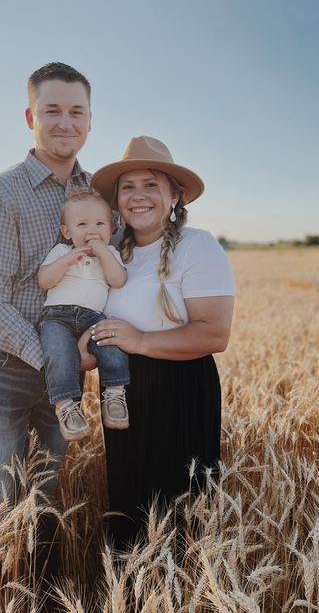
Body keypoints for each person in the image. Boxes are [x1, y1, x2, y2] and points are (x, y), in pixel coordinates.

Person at [85, 135, 235, 548]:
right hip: (121, 390)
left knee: (179, 510)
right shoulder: (114, 252)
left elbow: (214, 333)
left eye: (151, 184)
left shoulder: (197, 245)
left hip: (180, 387)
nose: (138, 196)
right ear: (116, 200)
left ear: (174, 195)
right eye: (128, 187)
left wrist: (140, 340)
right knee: (130, 504)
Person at [0, 62, 92, 526]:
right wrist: (58, 362)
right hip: (0, 370)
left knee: (46, 502)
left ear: (90, 120)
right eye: (51, 110)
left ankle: (40, 593)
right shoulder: (0, 193)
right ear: (30, 118)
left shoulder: (98, 194)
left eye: (77, 111)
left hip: (65, 376)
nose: (65, 122)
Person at [37, 189, 130, 441]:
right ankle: (66, 406)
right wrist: (66, 261)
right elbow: (44, 280)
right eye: (82, 224)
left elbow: (118, 279)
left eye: (100, 224)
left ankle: (114, 393)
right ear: (67, 232)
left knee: (111, 341)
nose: (92, 231)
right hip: (57, 317)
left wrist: (103, 252)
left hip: (93, 317)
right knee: (58, 352)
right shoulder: (60, 251)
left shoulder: (111, 255)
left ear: (111, 230)